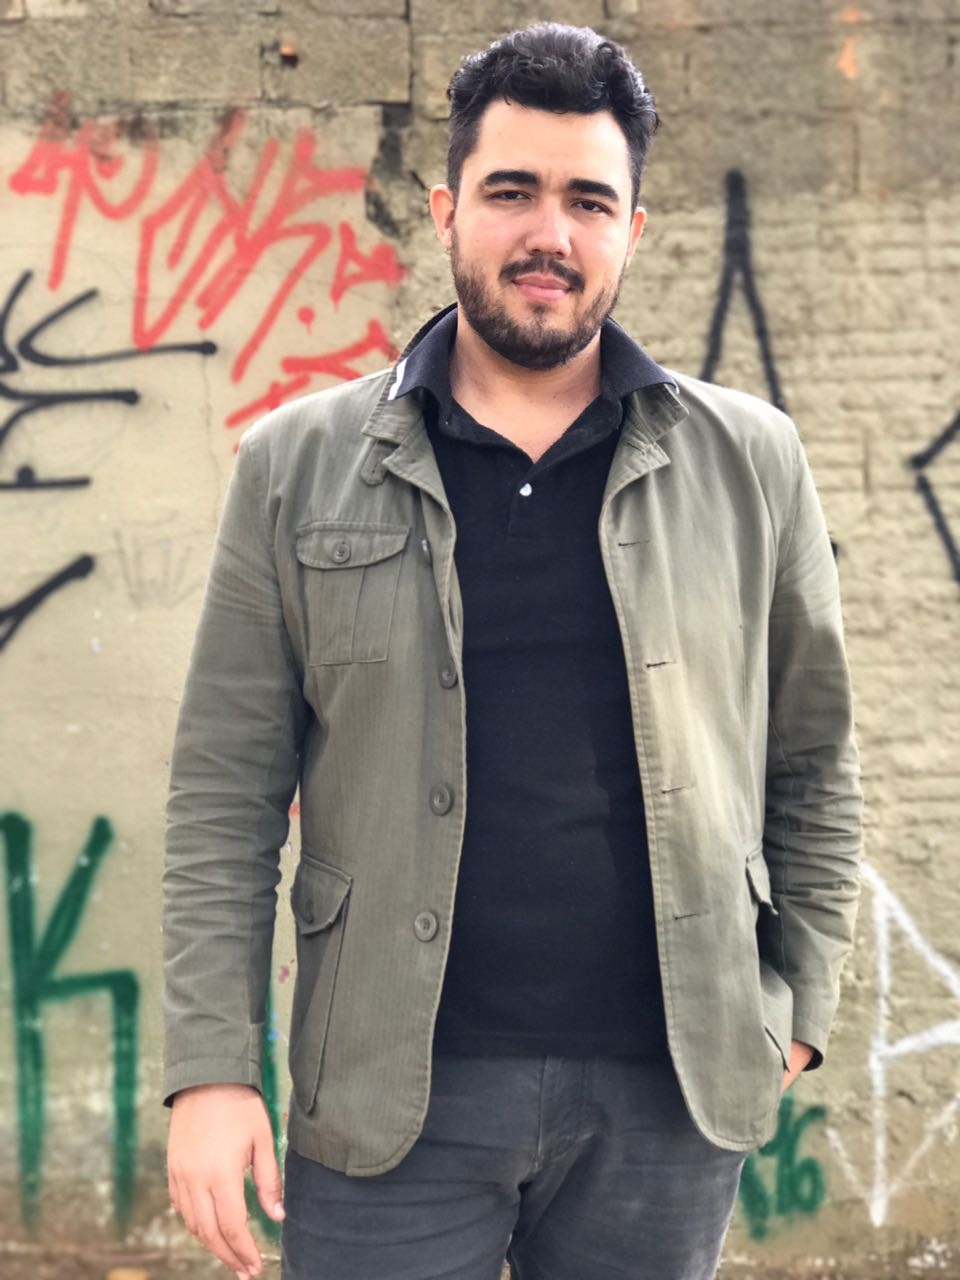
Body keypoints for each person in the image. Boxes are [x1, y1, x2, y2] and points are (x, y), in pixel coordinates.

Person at [163, 22, 862, 1280]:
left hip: (668, 1095)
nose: (551, 232)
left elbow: (813, 754)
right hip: (387, 1093)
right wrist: (211, 1071)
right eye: (512, 191)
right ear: (447, 211)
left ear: (633, 229)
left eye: (589, 200)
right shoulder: (297, 464)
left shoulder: (750, 461)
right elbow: (224, 788)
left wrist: (797, 1004)